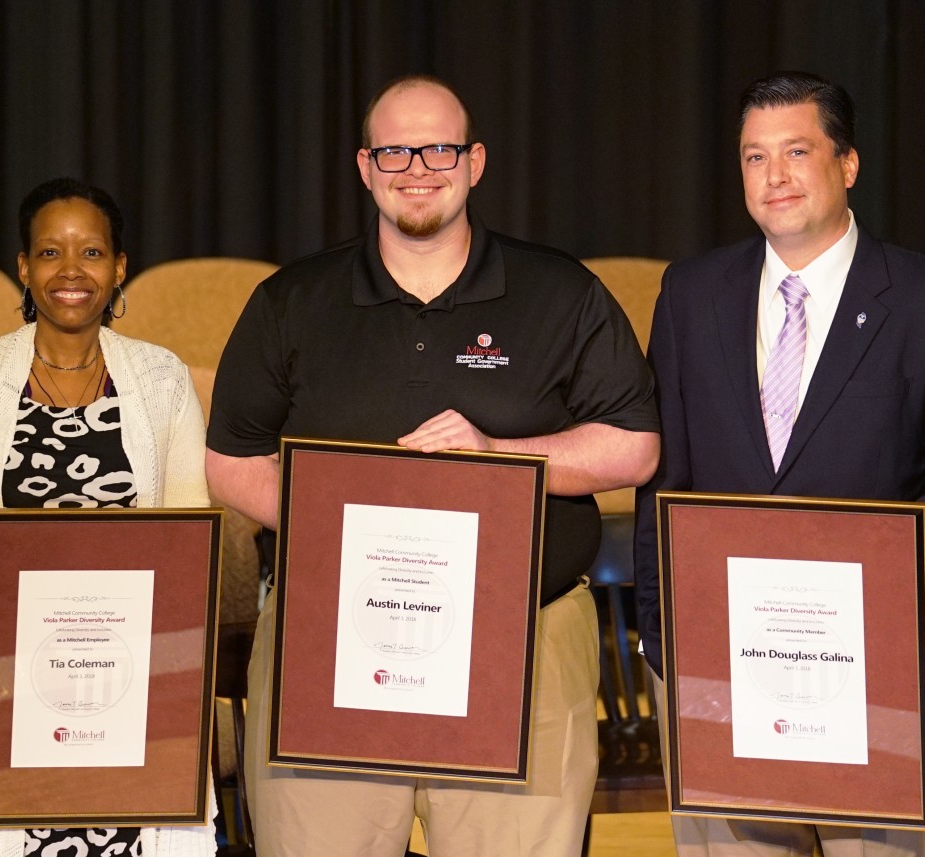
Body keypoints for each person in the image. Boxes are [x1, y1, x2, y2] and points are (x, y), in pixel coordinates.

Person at [205, 74, 660, 856]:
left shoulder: (561, 293)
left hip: (526, 637)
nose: (417, 168)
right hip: (332, 635)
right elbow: (231, 460)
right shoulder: (291, 301)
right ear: (365, 166)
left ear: (475, 162)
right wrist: (355, 531)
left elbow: (634, 444)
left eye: (439, 149)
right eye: (395, 151)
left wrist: (497, 456)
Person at [633, 71, 925, 857]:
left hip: (871, 663)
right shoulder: (689, 294)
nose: (773, 176)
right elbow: (663, 479)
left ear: (847, 164)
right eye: (754, 156)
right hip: (719, 662)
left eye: (796, 151)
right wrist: (659, 632)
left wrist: (880, 562)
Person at [0, 178, 216, 857]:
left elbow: (188, 531)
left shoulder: (162, 381)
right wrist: (4, 603)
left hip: (129, 669)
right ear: (24, 267)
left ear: (120, 266)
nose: (71, 270)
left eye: (91, 252)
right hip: (1, 666)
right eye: (50, 252)